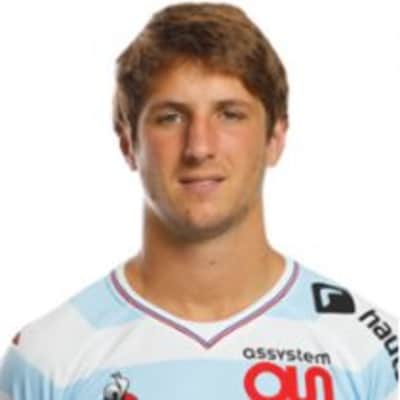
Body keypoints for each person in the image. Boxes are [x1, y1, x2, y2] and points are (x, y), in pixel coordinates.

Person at [0, 3, 397, 399]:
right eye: (170, 117)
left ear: (275, 139)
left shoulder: (369, 351)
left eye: (230, 114)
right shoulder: (48, 359)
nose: (199, 147)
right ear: (128, 142)